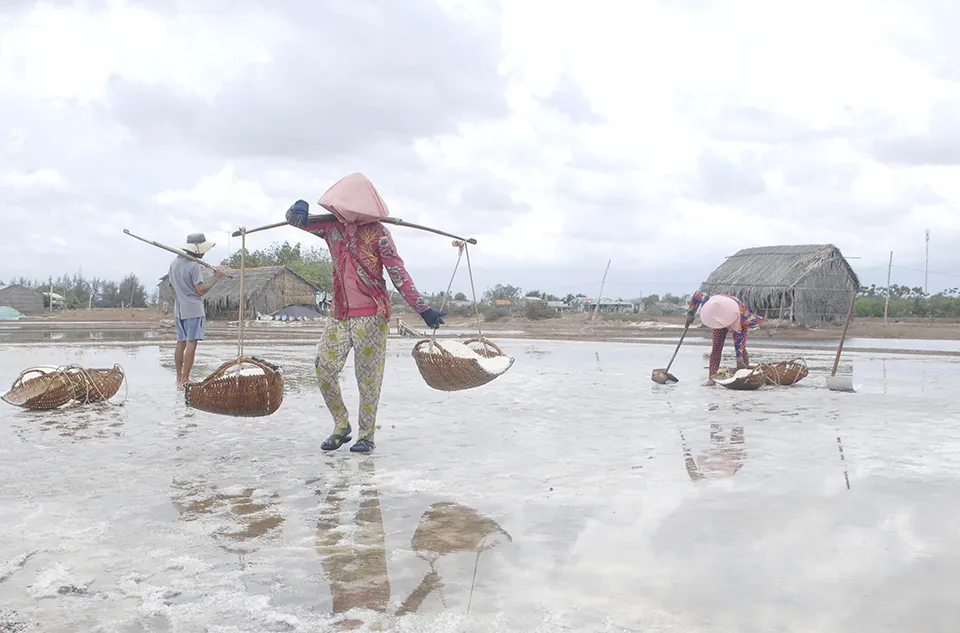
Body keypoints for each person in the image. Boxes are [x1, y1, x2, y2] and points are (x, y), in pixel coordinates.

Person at [286, 173, 446, 454]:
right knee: (324, 368)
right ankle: (341, 424)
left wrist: (423, 310)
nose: (336, 210)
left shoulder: (379, 233)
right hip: (339, 314)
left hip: (371, 316)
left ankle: (366, 436)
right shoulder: (330, 228)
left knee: (368, 378)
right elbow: (298, 221)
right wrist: (296, 211)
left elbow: (398, 274)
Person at [168, 233, 225, 390]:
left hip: (179, 309)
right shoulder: (194, 266)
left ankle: (179, 377)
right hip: (193, 310)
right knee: (191, 343)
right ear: (198, 249)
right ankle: (185, 379)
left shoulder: (174, 263)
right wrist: (216, 278)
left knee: (181, 343)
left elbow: (172, 288)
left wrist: (182, 297)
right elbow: (200, 290)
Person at [685, 290, 765, 386]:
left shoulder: (738, 318)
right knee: (716, 347)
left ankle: (745, 375)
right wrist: (690, 314)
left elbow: (738, 341)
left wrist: (739, 360)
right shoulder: (709, 300)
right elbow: (696, 295)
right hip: (719, 317)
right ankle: (712, 378)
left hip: (739, 314)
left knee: (741, 349)